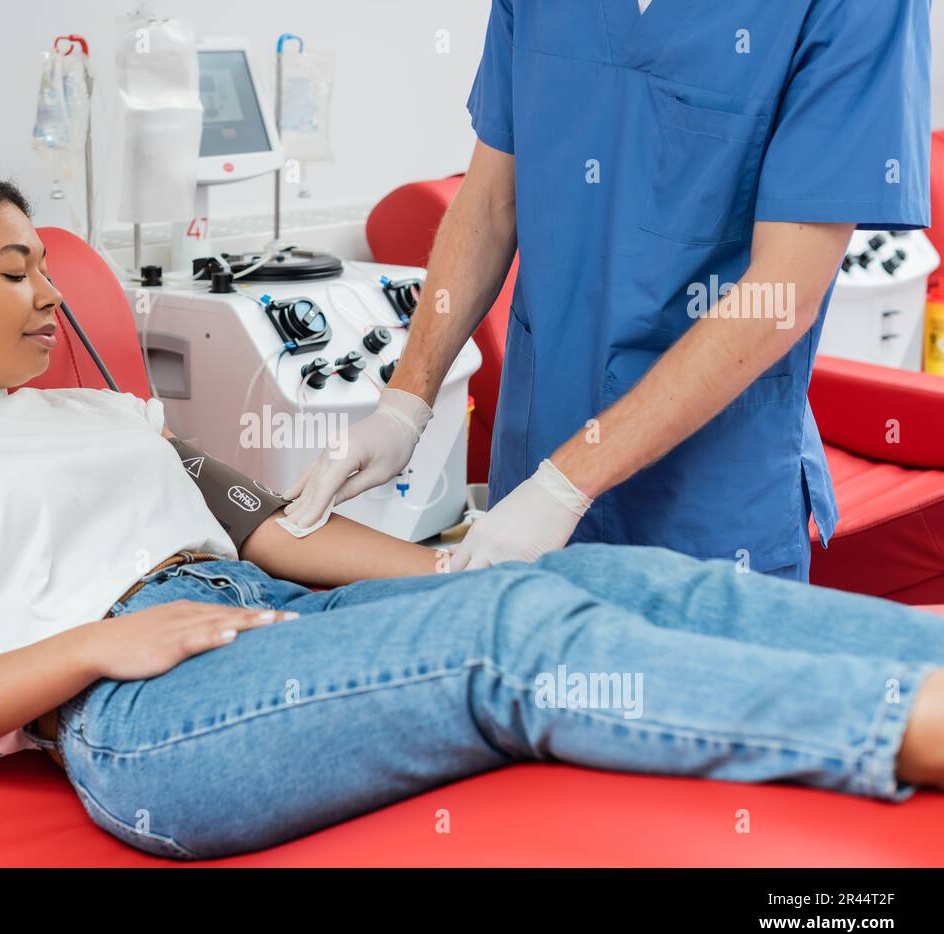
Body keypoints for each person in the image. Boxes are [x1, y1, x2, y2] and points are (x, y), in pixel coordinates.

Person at [0, 171, 944, 861]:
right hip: (137, 713)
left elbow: (269, 533)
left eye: (47, 266)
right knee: (517, 646)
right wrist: (99, 644)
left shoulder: (100, 413)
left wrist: (454, 570)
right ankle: (905, 725)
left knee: (617, 579)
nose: (49, 294)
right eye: (12, 271)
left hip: (271, 614)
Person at [281, 0, 932, 582]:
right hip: (529, 492)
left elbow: (781, 294)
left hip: (707, 522)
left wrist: (569, 484)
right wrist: (406, 401)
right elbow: (488, 202)